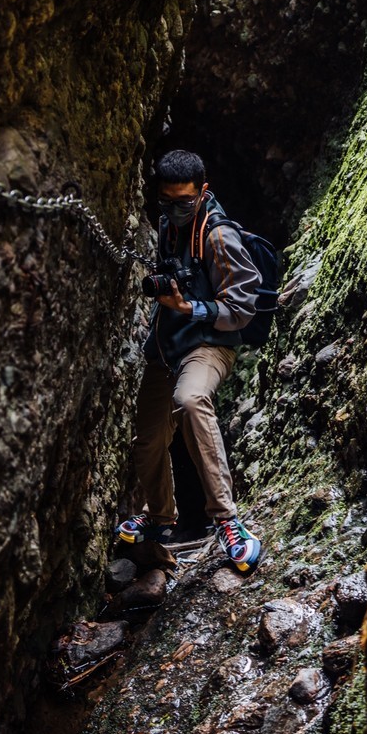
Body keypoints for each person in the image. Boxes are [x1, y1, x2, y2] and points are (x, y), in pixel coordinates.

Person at [115, 150, 262, 574]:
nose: (176, 212)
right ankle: (160, 517)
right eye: (167, 203)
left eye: (185, 203)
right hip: (165, 346)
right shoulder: (166, 223)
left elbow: (242, 304)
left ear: (203, 192)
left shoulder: (217, 236)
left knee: (191, 398)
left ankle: (228, 521)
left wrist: (189, 307)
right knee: (148, 438)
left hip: (209, 344)